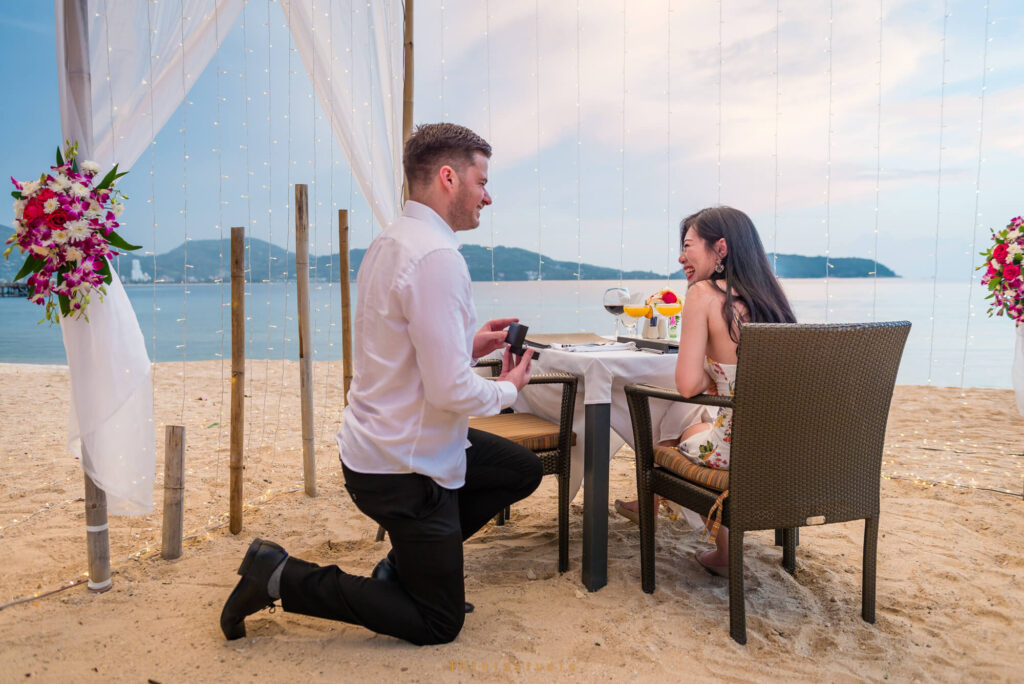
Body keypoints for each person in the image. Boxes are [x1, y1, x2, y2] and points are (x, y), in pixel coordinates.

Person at [220, 123, 541, 645]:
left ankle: (403, 566)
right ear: (448, 178)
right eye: (482, 182)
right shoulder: (437, 258)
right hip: (405, 469)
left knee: (520, 469)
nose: (488, 196)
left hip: (377, 445)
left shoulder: (391, 241)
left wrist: (467, 344)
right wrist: (509, 388)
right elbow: (451, 393)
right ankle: (279, 576)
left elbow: (399, 348)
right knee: (439, 624)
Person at [615, 206, 795, 576]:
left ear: (721, 248)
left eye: (688, 246)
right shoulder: (771, 299)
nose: (681, 257)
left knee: (674, 431)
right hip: (791, 451)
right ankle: (709, 540)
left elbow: (686, 385)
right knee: (696, 423)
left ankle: (669, 513)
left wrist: (710, 376)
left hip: (737, 456)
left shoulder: (702, 294)